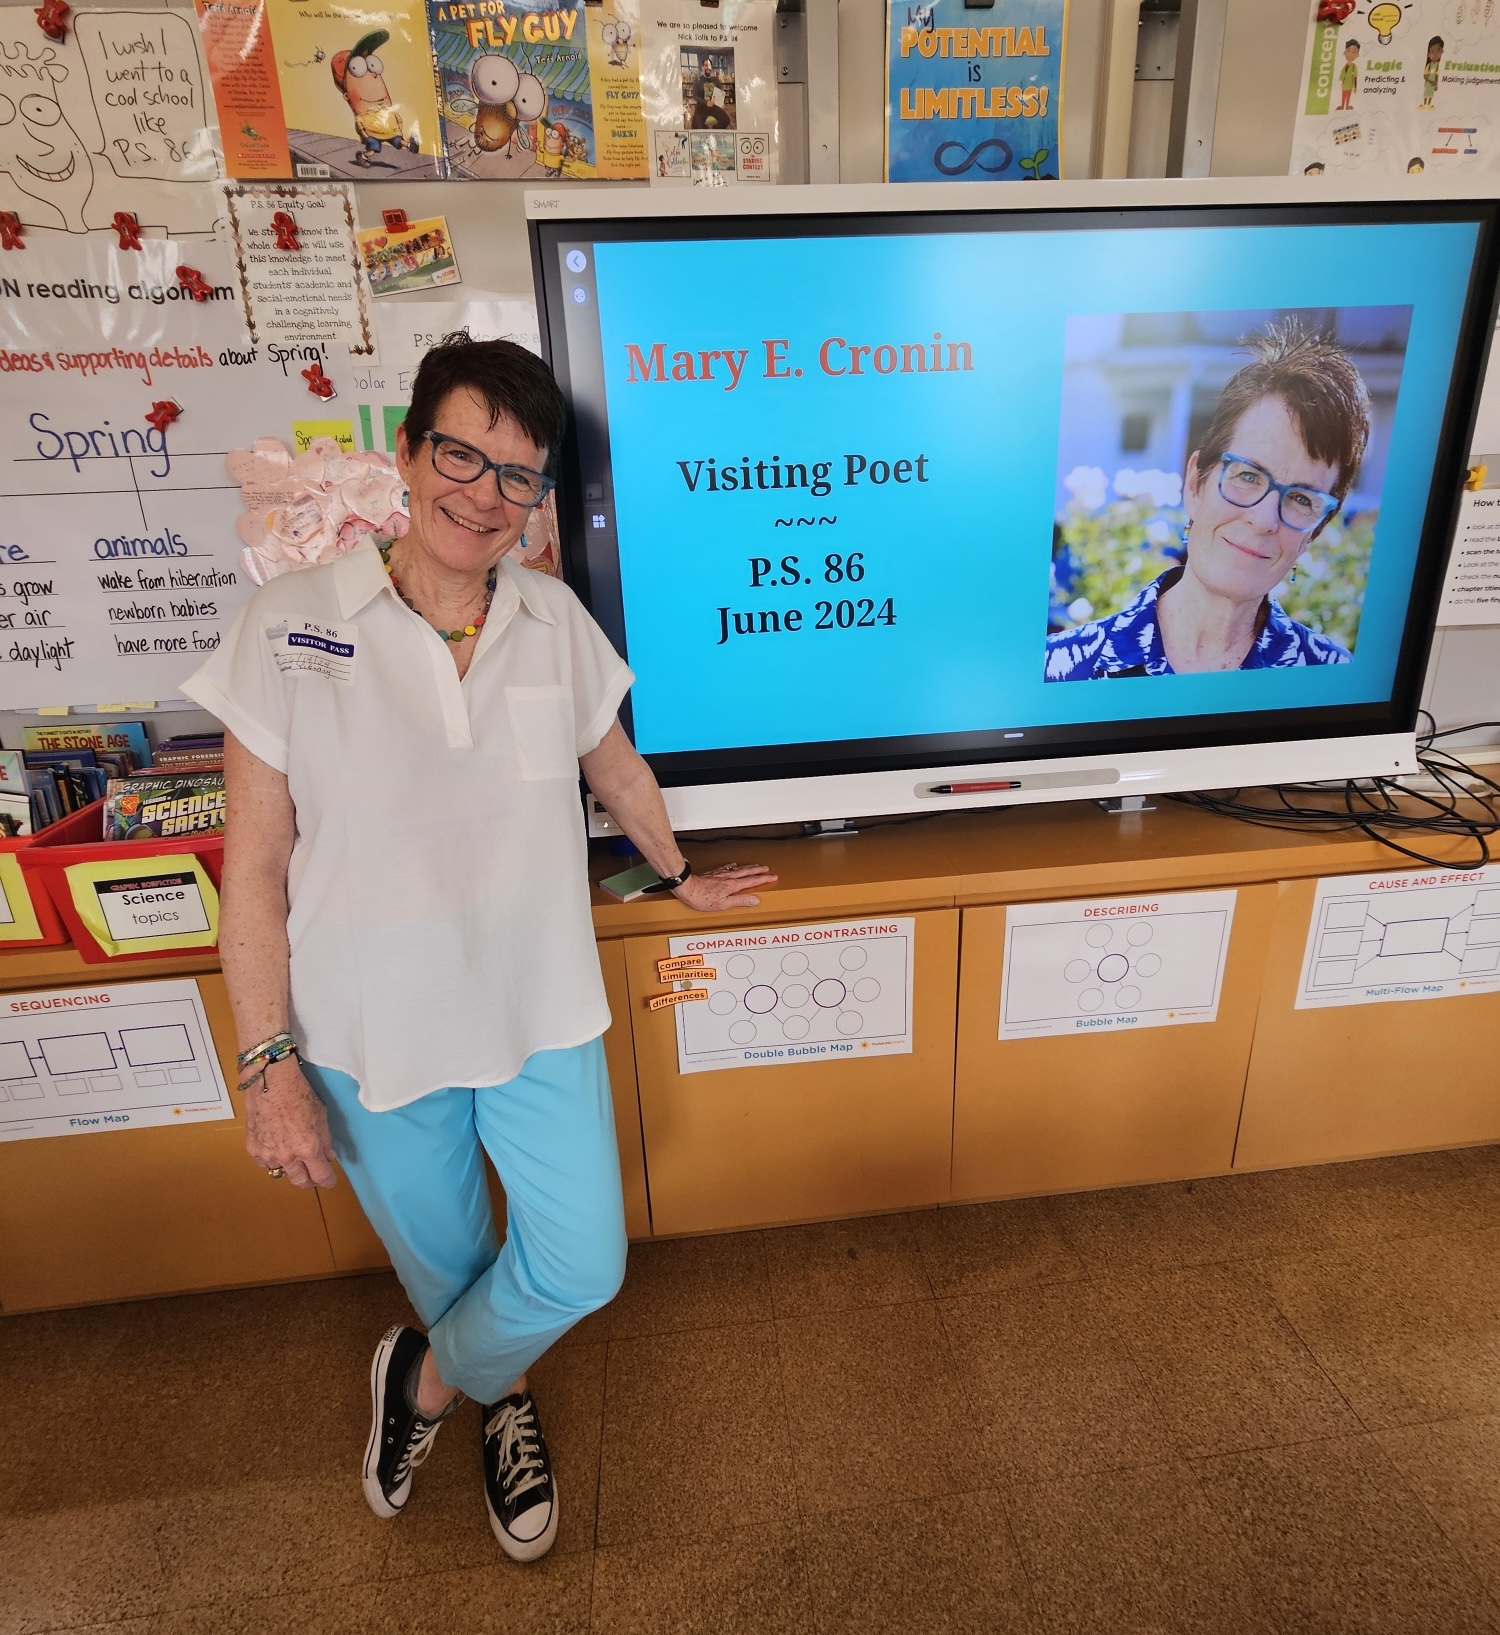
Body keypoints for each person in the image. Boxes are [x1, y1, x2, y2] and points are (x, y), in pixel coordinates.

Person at [182, 334, 776, 1563]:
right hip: (368, 1032)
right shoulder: (289, 624)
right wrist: (266, 1062)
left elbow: (614, 766)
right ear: (407, 454)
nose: (485, 494)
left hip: (538, 1007)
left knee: (580, 1264)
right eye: (461, 455)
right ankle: (502, 1397)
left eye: (517, 474)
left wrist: (678, 875)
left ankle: (430, 1384)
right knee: (449, 1271)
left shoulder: (552, 618)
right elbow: (255, 869)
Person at [1045, 319, 1369, 680]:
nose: (1264, 520)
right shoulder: (1060, 670)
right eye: (1248, 476)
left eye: (1301, 499)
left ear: (1314, 533)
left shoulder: (1335, 680)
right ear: (1195, 483)